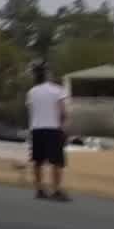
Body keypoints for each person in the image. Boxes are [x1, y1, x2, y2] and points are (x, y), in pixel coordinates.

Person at [26, 63, 71, 201]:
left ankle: (39, 189)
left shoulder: (32, 92)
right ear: (47, 75)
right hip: (53, 129)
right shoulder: (58, 90)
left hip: (37, 129)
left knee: (38, 161)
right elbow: (63, 111)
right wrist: (64, 127)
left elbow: (31, 111)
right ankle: (56, 190)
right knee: (57, 161)